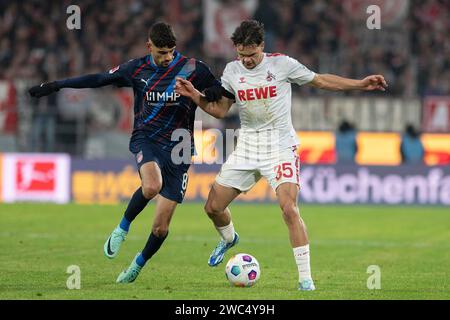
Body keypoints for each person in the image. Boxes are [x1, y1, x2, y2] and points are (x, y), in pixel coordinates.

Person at [175, 20, 388, 291]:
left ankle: (305, 279)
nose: (247, 60)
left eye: (251, 55)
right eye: (242, 55)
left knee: (289, 208)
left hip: (280, 147)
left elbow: (320, 80)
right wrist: (195, 95)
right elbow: (220, 111)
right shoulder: (232, 71)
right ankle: (229, 239)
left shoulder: (282, 64)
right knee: (213, 208)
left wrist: (360, 84)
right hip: (248, 146)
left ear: (262, 46)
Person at [29, 22, 223, 283]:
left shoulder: (193, 68)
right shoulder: (136, 68)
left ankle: (137, 265)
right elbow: (99, 79)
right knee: (152, 186)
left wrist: (207, 92)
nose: (166, 58)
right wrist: (57, 85)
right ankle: (122, 228)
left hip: (179, 149)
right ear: (149, 46)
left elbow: (220, 90)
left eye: (170, 52)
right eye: (161, 52)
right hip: (147, 139)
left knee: (161, 226)